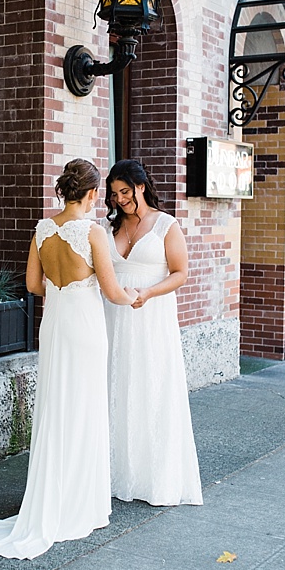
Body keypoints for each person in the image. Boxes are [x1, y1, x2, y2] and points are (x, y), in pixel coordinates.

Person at [0, 158, 138, 559]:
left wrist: (62, 282)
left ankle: (52, 499)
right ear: (94, 193)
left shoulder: (43, 229)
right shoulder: (94, 232)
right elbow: (114, 292)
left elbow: (32, 284)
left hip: (56, 326)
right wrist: (138, 298)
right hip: (84, 326)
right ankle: (79, 504)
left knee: (56, 409)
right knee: (84, 410)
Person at [102, 159, 203, 507]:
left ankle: (152, 477)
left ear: (141, 187)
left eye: (125, 191)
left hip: (151, 317)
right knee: (116, 385)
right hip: (114, 316)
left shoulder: (166, 225)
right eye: (114, 194)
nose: (120, 200)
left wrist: (148, 293)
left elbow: (180, 273)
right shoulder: (108, 227)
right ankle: (115, 472)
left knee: (151, 386)